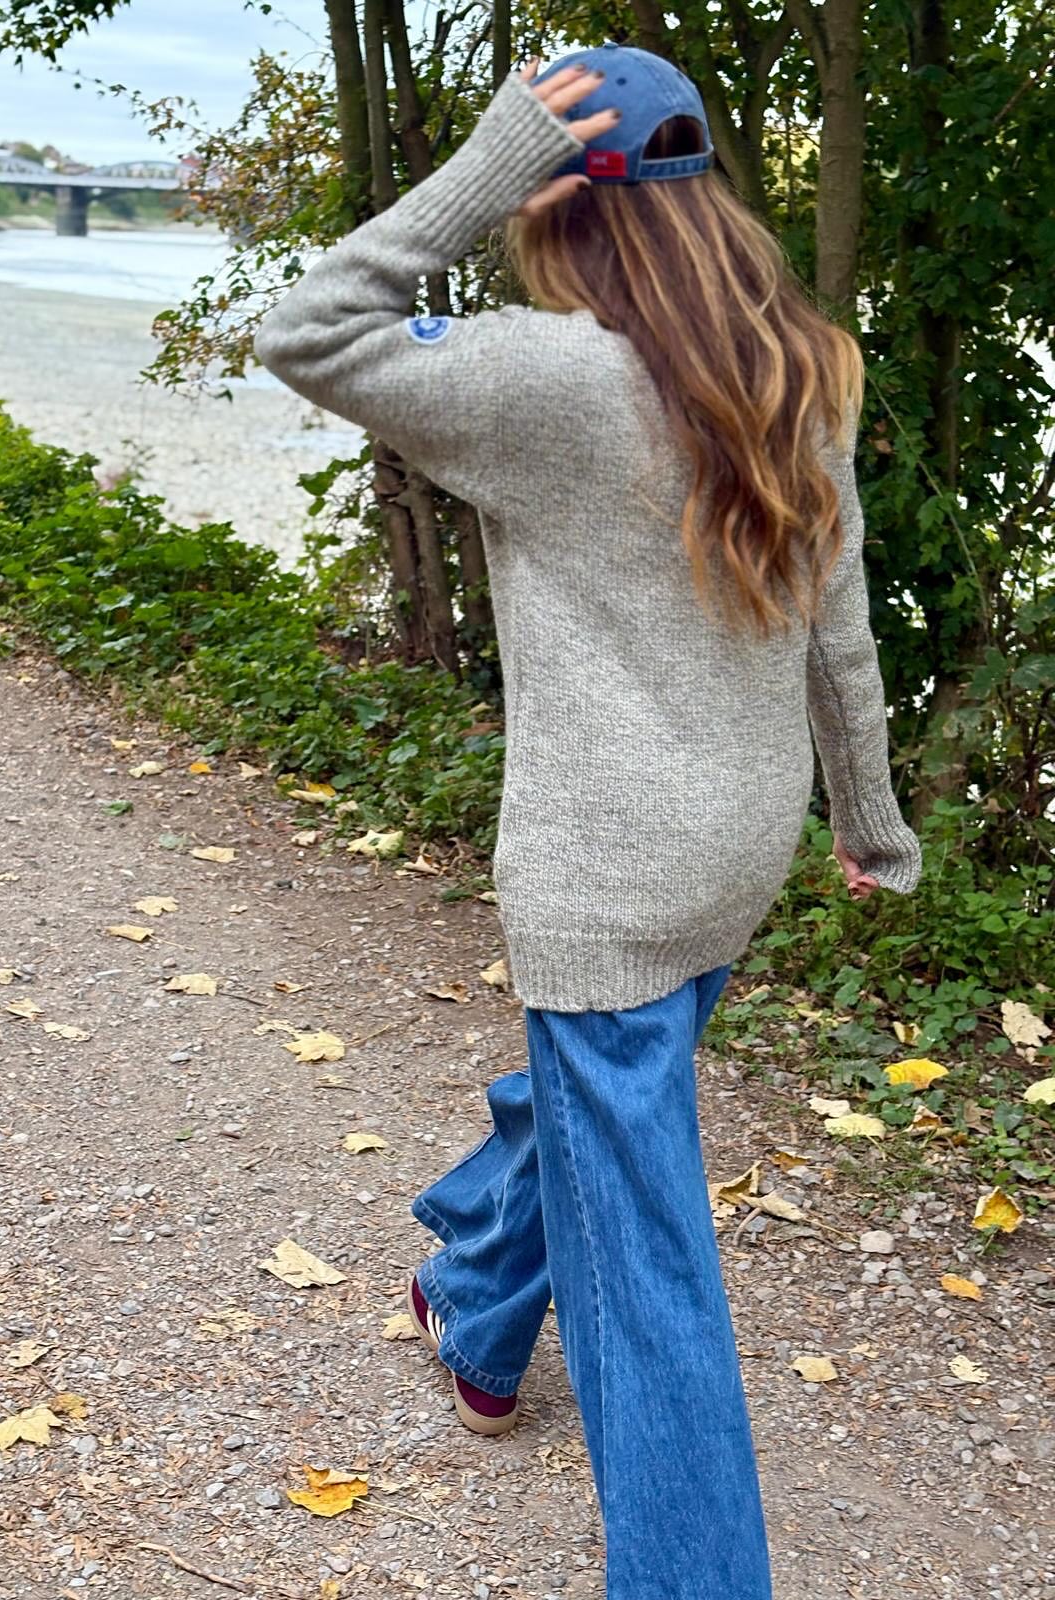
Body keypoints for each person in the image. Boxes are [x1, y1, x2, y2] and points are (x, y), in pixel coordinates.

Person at [254, 43, 921, 1600]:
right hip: (736, 850)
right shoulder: (798, 365)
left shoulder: (542, 381)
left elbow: (308, 328)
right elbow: (845, 633)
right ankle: (479, 1318)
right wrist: (871, 824)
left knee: (651, 1280)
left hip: (609, 877)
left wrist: (480, 171)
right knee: (599, 1100)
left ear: (554, 209)